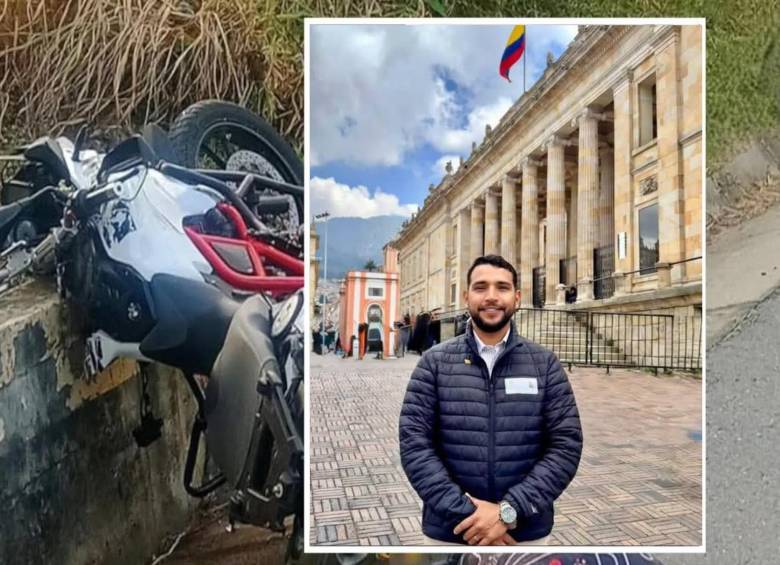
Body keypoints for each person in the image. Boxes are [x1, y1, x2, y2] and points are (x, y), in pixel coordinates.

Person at [399, 254, 583, 546]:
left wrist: (509, 513)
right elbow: (415, 445)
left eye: (502, 287)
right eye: (481, 287)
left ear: (517, 297)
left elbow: (565, 446)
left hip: (523, 533)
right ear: (466, 296)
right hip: (453, 531)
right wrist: (472, 516)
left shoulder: (545, 364)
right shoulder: (433, 363)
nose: (492, 297)